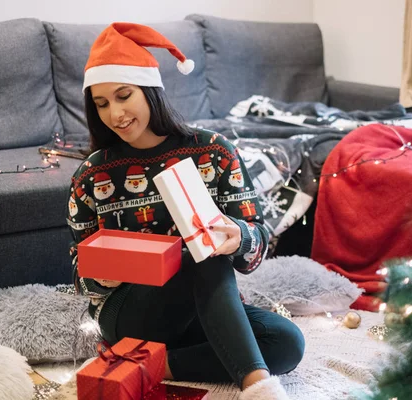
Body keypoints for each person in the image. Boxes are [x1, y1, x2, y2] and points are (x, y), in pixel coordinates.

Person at [66, 22, 304, 400]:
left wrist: (238, 237)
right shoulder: (92, 175)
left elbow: (257, 243)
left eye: (124, 96)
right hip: (130, 313)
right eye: (102, 104)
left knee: (287, 342)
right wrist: (107, 273)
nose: (115, 113)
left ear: (149, 91)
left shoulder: (214, 152)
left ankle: (154, 365)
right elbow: (80, 274)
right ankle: (259, 388)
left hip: (204, 308)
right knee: (196, 252)